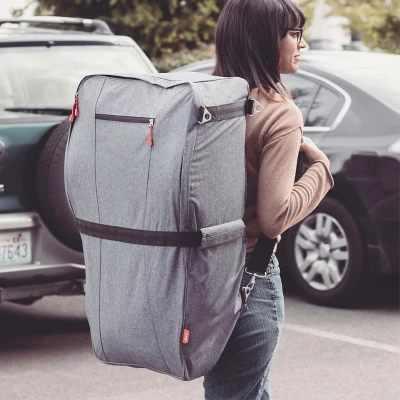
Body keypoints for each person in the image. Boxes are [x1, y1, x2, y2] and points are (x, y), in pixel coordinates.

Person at [204, 0, 334, 399]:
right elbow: (274, 217)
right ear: (263, 40)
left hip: (200, 275)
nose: (302, 44)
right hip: (248, 277)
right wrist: (321, 170)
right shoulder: (279, 113)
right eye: (294, 34)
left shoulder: (207, 99)